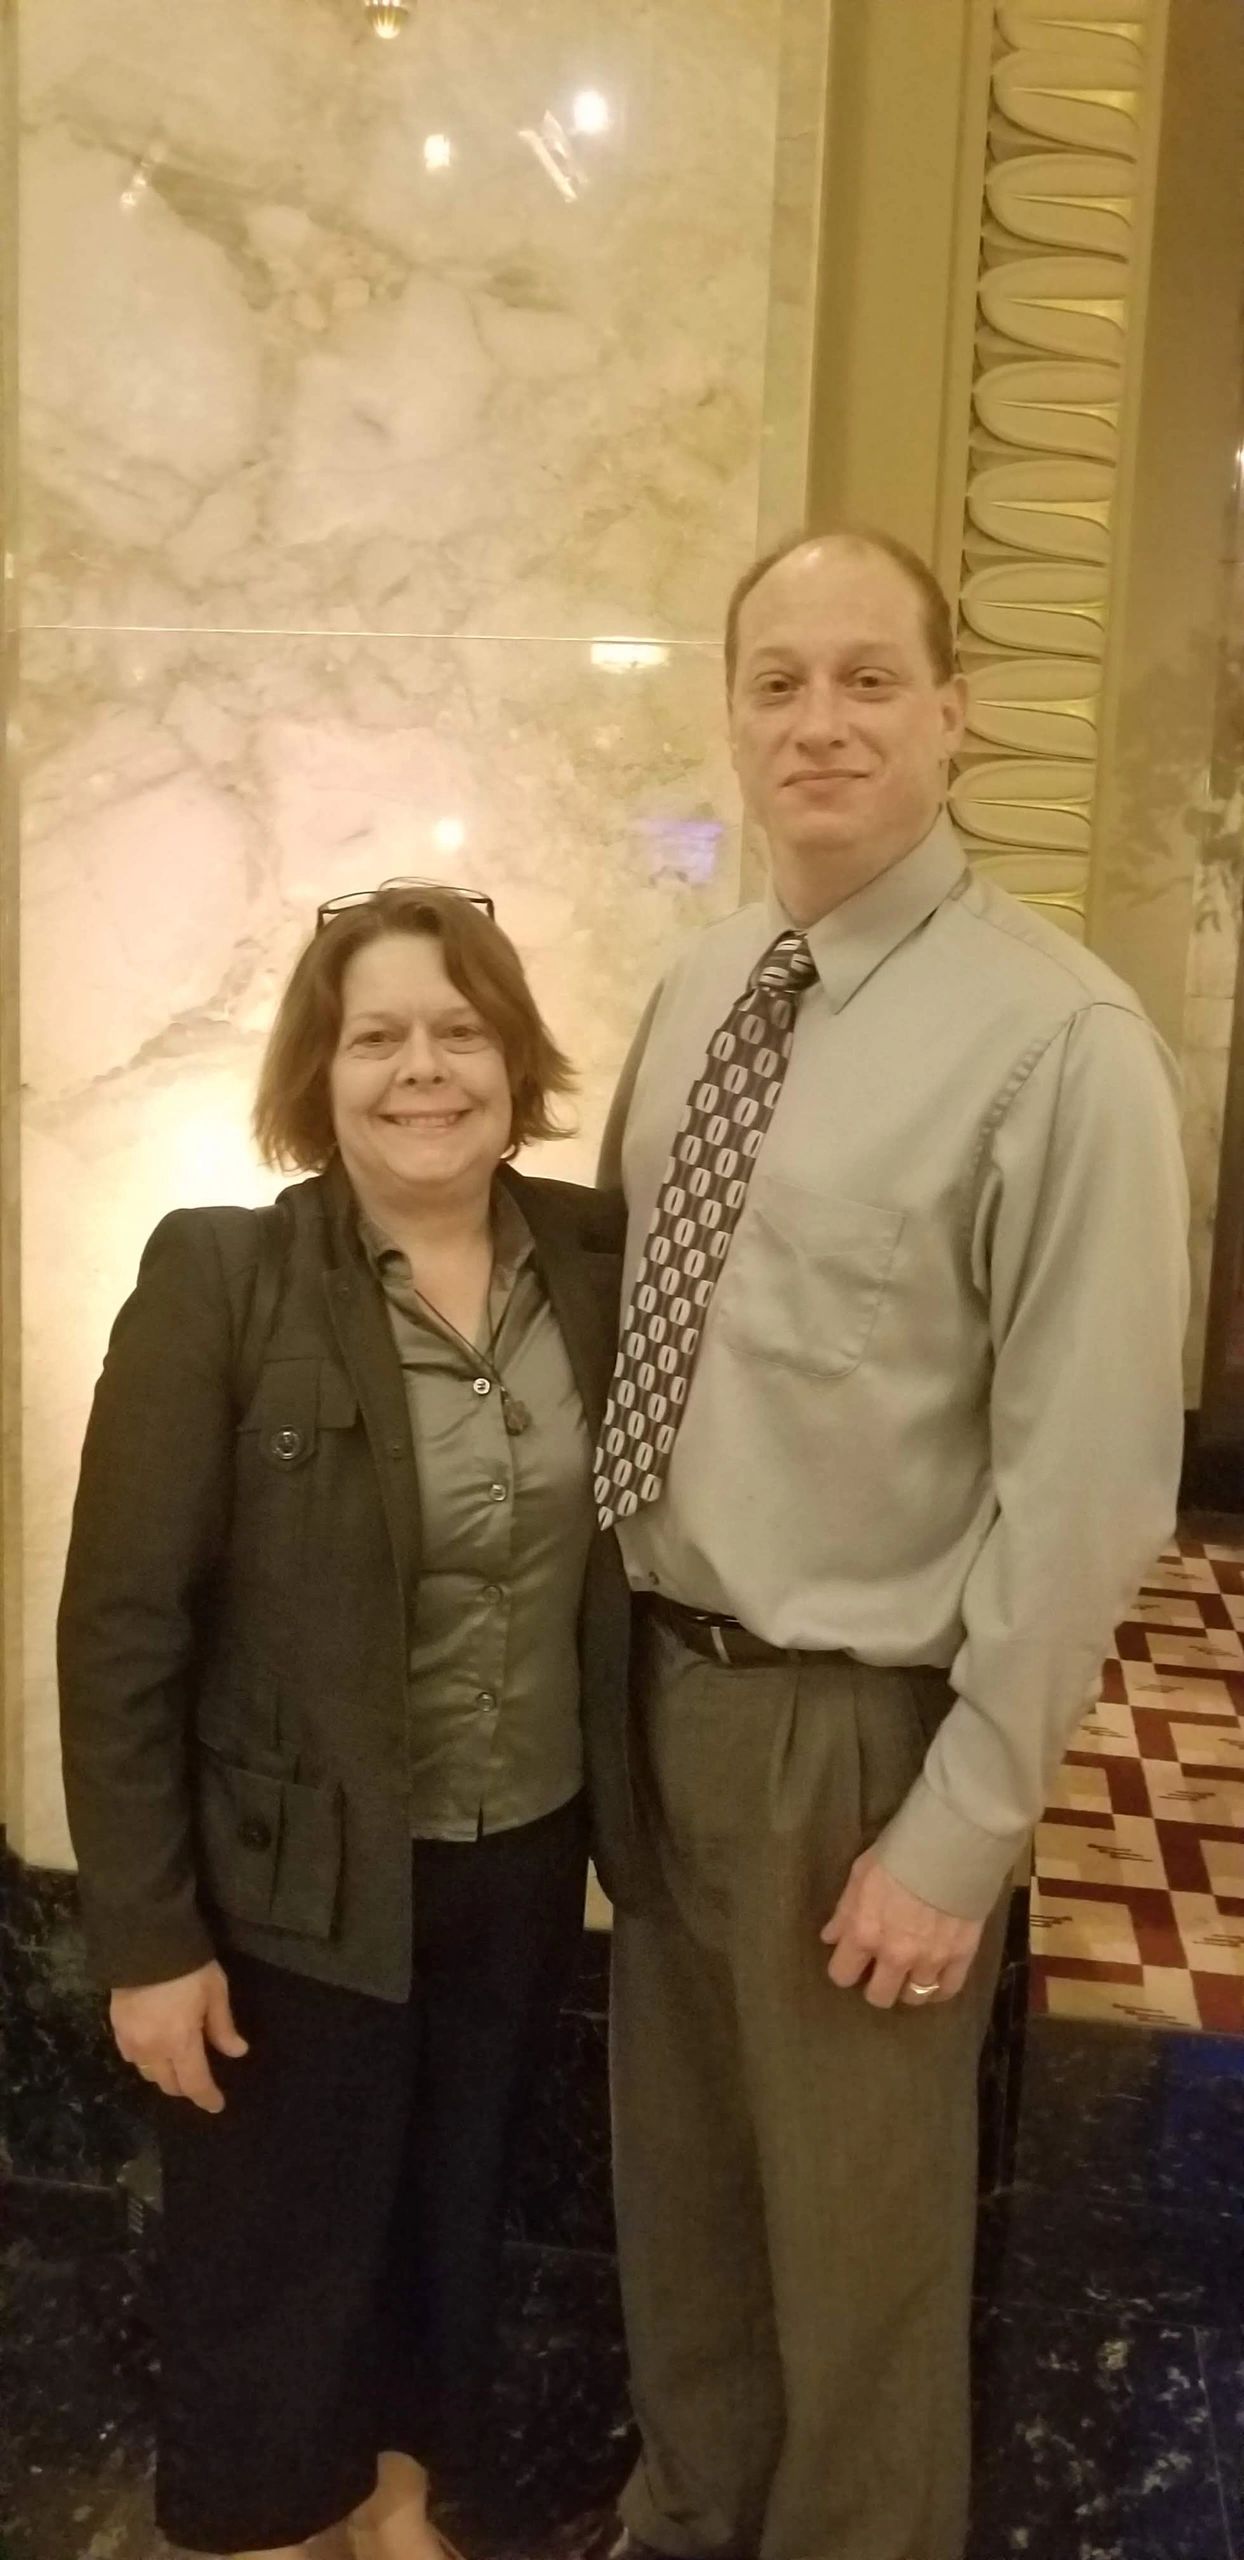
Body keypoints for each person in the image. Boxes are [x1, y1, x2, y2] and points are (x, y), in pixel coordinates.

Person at [594, 530, 1189, 2560]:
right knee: (683, 2219)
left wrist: (967, 1820)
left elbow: (1090, 1481)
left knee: (856, 2274)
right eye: (777, 680)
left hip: (860, 1739)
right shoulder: (692, 990)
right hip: (659, 1698)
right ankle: (688, 2517)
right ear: (733, 715)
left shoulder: (1060, 1042)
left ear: (957, 714)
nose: (817, 721)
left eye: (868, 678)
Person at [58, 881, 638, 2560]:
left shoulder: (594, 1263)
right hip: (286, 1887)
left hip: (517, 1852)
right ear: (320, 1072)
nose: (422, 1070)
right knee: (274, 2261)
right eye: (376, 1036)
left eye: (459, 1030)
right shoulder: (221, 1275)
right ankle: (257, 2530)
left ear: (511, 1056)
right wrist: (145, 1939)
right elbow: (123, 1630)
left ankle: (396, 2502)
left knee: (450, 2225)